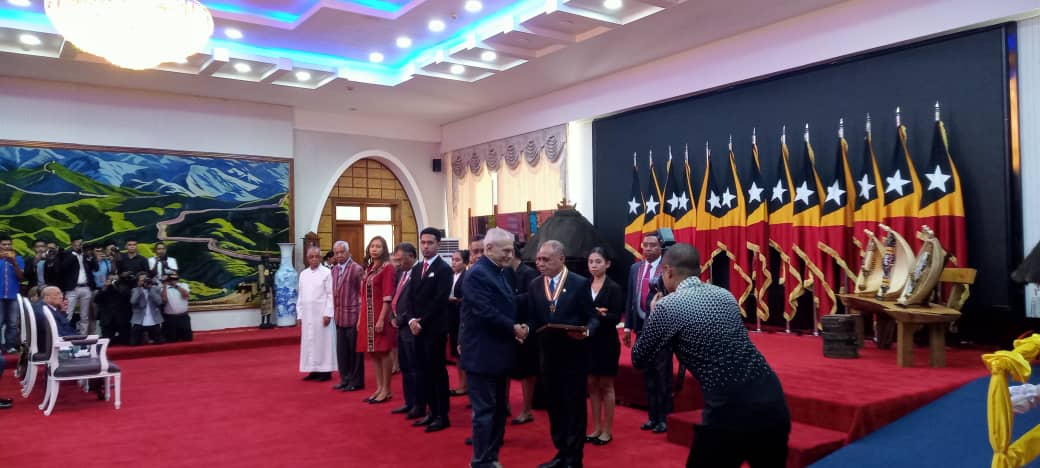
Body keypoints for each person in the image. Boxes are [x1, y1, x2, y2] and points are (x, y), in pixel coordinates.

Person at [633, 244, 791, 467]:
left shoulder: (668, 306)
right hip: (773, 400)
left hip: (728, 410)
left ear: (667, 271)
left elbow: (639, 358)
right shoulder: (725, 295)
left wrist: (653, 313)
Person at [460, 228, 528, 468]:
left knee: (499, 410)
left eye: (512, 250)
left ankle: (491, 457)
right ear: (489, 249)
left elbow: (507, 304)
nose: (510, 255)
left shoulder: (501, 272)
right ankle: (481, 461)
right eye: (506, 250)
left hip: (498, 353)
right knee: (485, 412)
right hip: (482, 355)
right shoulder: (477, 274)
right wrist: (513, 328)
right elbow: (484, 311)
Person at [528, 240, 599, 468]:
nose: (540, 263)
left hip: (573, 357)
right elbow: (533, 319)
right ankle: (561, 452)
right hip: (548, 357)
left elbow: (592, 317)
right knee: (555, 407)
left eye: (546, 259)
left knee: (574, 408)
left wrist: (586, 332)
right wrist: (524, 329)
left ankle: (574, 458)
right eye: (538, 259)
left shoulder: (579, 283)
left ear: (561, 259)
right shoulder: (535, 285)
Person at [624, 231, 671, 433]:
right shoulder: (635, 268)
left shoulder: (667, 268)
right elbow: (630, 298)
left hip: (662, 329)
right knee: (648, 374)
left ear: (660, 247)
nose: (648, 249)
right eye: (645, 245)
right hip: (641, 327)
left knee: (663, 375)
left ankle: (664, 418)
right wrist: (627, 326)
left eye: (653, 245)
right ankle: (652, 417)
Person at [408, 227, 454, 433]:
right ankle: (430, 411)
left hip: (434, 328)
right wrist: (411, 320)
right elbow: (410, 297)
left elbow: (439, 300)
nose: (425, 247)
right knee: (422, 371)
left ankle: (442, 415)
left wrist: (422, 322)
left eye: (430, 243)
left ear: (438, 244)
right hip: (417, 328)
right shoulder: (417, 268)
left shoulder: (444, 269)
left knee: (437, 372)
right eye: (423, 242)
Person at [585, 247, 623, 446]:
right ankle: (596, 427)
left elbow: (616, 317)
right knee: (591, 385)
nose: (594, 265)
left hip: (607, 342)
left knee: (606, 385)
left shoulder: (614, 287)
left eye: (598, 261)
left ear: (607, 264)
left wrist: (600, 315)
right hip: (588, 342)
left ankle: (607, 430)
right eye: (591, 262)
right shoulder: (584, 285)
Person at [357, 236, 396, 403]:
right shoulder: (369, 268)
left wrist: (381, 319)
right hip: (367, 315)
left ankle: (387, 389)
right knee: (373, 352)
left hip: (380, 314)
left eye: (378, 246)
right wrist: (360, 319)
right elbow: (363, 297)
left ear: (384, 249)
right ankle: (379, 387)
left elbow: (388, 297)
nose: (374, 249)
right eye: (372, 246)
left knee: (384, 351)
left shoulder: (388, 268)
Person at [506, 240, 540, 425]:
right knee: (505, 367)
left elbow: (533, 297)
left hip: (526, 325)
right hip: (509, 324)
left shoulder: (528, 272)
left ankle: (527, 410)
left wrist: (510, 299)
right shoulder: (504, 272)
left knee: (527, 370)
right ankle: (504, 404)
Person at [390, 242, 422, 418]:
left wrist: (401, 318)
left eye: (400, 260)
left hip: (411, 326)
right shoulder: (400, 273)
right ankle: (409, 402)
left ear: (411, 256)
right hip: (400, 327)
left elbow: (415, 302)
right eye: (396, 260)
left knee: (415, 367)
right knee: (405, 367)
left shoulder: (418, 273)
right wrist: (392, 317)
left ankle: (418, 404)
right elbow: (395, 297)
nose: (398, 263)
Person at [297, 246, 336, 382]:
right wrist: (300, 314)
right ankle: (312, 369)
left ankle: (325, 371)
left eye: (316, 256)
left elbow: (330, 294)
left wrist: (328, 313)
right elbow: (300, 296)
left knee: (323, 342)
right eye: (311, 257)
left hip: (321, 314)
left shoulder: (327, 273)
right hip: (308, 314)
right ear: (307, 259)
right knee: (309, 341)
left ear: (320, 258)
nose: (314, 259)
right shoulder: (303, 274)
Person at [331, 240, 365, 392]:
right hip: (339, 317)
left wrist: (360, 317)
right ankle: (344, 379)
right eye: (336, 253)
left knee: (355, 352)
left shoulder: (356, 269)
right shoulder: (334, 270)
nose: (339, 255)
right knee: (342, 352)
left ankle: (356, 381)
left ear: (348, 252)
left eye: (341, 252)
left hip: (353, 317)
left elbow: (362, 294)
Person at [57, 236, 97, 335]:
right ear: (72, 244)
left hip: (86, 287)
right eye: (77, 243)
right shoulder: (67, 254)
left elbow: (95, 267)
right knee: (68, 313)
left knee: (84, 315)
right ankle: (64, 334)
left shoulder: (86, 255)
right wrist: (75, 255)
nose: (79, 245)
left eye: (81, 243)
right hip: (72, 288)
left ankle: (84, 336)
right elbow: (64, 268)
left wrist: (89, 255)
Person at [448, 249, 470, 397]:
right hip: (451, 316)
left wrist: (457, 300)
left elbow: (469, 298)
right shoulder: (451, 276)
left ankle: (466, 385)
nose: (454, 263)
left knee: (462, 351)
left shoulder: (467, 276)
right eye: (453, 260)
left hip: (462, 316)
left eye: (457, 260)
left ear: (465, 262)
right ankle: (461, 383)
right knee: (456, 353)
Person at [0, 233, 25, 354]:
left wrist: (14, 262)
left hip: (13, 295)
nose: (7, 247)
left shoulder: (18, 259)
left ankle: (10, 346)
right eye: (4, 244)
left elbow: (21, 277)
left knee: (13, 323)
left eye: (9, 244)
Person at [130, 273, 165, 345]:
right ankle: (143, 338)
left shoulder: (155, 289)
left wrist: (150, 289)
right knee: (133, 343)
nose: (144, 281)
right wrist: (139, 289)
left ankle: (150, 338)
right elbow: (133, 301)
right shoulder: (135, 290)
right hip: (139, 320)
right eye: (142, 280)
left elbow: (159, 302)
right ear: (138, 281)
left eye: (145, 279)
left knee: (160, 342)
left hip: (154, 319)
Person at [160, 270, 192, 342]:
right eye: (171, 278)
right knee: (172, 340)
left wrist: (176, 286)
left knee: (187, 339)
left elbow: (186, 295)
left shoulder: (184, 285)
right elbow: (164, 300)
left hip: (183, 317)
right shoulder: (163, 288)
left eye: (175, 278)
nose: (174, 280)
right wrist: (164, 285)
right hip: (170, 318)